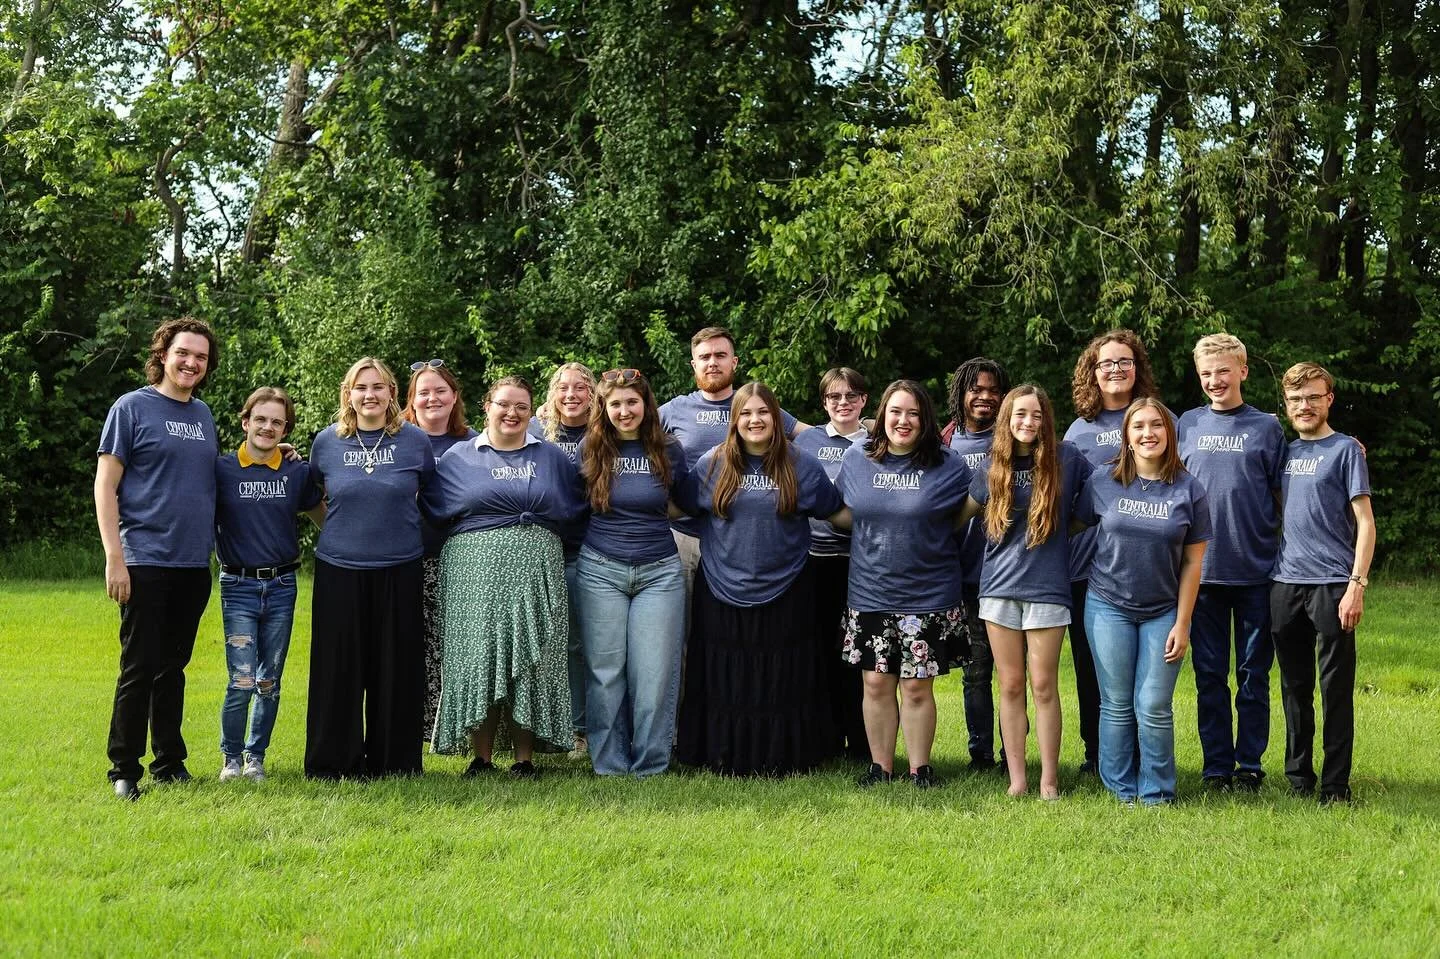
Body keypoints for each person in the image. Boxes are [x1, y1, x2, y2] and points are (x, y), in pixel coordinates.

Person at [675, 382, 844, 776]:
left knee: (782, 676)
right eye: (746, 413)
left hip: (788, 588)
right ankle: (722, 753)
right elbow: (677, 507)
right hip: (720, 587)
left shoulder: (802, 464)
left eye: (763, 412)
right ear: (734, 420)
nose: (755, 420)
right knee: (725, 676)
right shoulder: (713, 464)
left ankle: (784, 755)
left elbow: (838, 512)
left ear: (776, 418)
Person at [422, 376, 585, 778]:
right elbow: (429, 511)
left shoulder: (551, 457)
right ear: (487, 406)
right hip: (472, 572)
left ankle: (524, 760)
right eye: (503, 404)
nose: (512, 413)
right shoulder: (458, 458)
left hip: (537, 570)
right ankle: (481, 758)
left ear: (533, 414)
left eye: (521, 407)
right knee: (479, 657)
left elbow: (577, 509)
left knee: (532, 661)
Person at [95, 317, 221, 800]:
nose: (191, 362)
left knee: (174, 667)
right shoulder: (131, 408)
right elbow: (106, 484)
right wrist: (115, 556)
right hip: (144, 558)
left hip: (193, 566)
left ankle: (170, 762)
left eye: (201, 357)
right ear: (163, 354)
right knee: (139, 667)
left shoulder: (203, 416)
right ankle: (124, 770)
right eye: (183, 353)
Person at [305, 357, 436, 779]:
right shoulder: (326, 442)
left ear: (392, 394)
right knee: (338, 669)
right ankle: (334, 763)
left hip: (400, 568)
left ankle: (393, 763)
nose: (370, 395)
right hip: (338, 569)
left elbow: (432, 498)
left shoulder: (415, 442)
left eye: (378, 387)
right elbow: (310, 497)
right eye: (361, 388)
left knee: (395, 670)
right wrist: (340, 529)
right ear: (348, 394)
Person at [837, 380, 972, 789]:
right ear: (882, 416)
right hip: (870, 590)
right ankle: (881, 766)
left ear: (925, 419)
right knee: (876, 682)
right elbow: (843, 515)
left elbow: (962, 518)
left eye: (913, 413)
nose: (903, 420)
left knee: (916, 686)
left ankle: (920, 768)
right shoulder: (857, 459)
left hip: (929, 594)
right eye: (895, 411)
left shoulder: (948, 465)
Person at [1077, 398, 1210, 806]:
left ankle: (1157, 793)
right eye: (1139, 426)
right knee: (1116, 704)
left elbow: (1193, 562)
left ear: (1169, 435)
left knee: (1153, 705)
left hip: (1163, 610)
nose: (1148, 433)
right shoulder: (1102, 480)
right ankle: (1121, 790)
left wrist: (1183, 623)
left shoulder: (1190, 489)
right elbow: (1066, 526)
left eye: (1156, 425)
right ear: (1127, 437)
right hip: (1106, 605)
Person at [958, 385, 1089, 799]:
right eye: (1019, 415)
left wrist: (1055, 536)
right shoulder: (990, 467)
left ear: (1046, 419)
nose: (1028, 422)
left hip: (1048, 589)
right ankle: (1017, 779)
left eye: (1035, 415)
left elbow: (1088, 510)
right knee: (1011, 686)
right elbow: (958, 518)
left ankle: (1049, 780)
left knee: (1044, 686)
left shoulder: (1068, 459)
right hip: (997, 590)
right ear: (1007, 420)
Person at [1178, 334, 1286, 792]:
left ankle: (1249, 766)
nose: (1214, 380)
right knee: (1209, 676)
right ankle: (1216, 767)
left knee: (1252, 676)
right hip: (1200, 576)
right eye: (1206, 373)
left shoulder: (1267, 427)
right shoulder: (1185, 424)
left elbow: (1287, 493)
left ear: (1242, 370)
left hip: (1257, 573)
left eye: (1223, 371)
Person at [574, 369, 689, 776]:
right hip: (600, 570)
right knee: (606, 674)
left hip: (659, 573)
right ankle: (609, 764)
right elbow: (573, 506)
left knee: (654, 675)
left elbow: (688, 501)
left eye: (632, 402)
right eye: (616, 404)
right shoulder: (589, 449)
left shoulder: (668, 449)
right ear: (603, 408)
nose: (625, 411)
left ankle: (650, 764)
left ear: (646, 404)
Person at [1272, 362, 1374, 804]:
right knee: (1294, 688)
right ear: (1287, 405)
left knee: (1334, 689)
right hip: (1284, 582)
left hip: (1333, 584)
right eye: (1296, 400)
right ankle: (1298, 780)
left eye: (1313, 397)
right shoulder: (1284, 453)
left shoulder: (1347, 451)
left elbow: (1366, 524)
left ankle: (1335, 785)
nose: (1304, 406)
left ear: (1328, 398)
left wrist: (1357, 584)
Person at [1064, 328, 1163, 773]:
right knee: (1093, 669)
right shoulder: (1078, 430)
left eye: (1125, 361)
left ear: (1137, 369)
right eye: (1106, 363)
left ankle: (1142, 756)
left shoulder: (1159, 420)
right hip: (1087, 567)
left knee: (1145, 674)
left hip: (1145, 569)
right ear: (1093, 373)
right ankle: (1096, 754)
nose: (1116, 370)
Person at [214, 387, 325, 782]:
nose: (267, 427)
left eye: (277, 422)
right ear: (245, 422)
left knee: (268, 680)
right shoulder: (222, 469)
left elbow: (323, 516)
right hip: (238, 586)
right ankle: (229, 759)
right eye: (260, 419)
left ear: (286, 430)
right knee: (241, 679)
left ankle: (254, 757)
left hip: (281, 585)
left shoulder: (297, 472)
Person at [660, 327, 805, 612]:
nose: (712, 362)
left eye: (720, 355)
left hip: (740, 538)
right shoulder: (674, 410)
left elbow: (809, 435)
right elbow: (625, 429)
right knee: (682, 627)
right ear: (694, 364)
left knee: (724, 624)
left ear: (734, 362)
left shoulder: (753, 405)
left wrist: (864, 430)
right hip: (685, 535)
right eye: (705, 357)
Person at [792, 367, 871, 762]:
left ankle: (861, 744)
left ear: (864, 401)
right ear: (824, 402)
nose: (843, 403)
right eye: (835, 396)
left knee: (857, 657)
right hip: (814, 561)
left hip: (864, 564)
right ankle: (824, 742)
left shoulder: (879, 441)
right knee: (820, 653)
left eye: (851, 395)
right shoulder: (806, 442)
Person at [400, 359, 477, 744]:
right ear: (410, 401)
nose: (432, 398)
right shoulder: (394, 440)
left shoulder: (476, 442)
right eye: (423, 392)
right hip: (404, 556)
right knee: (412, 644)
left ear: (454, 396)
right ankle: (416, 725)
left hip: (462, 558)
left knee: (455, 645)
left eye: (440, 390)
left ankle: (456, 726)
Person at [945, 357, 1010, 770]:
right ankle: (980, 755)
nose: (985, 396)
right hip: (962, 575)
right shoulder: (943, 442)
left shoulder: (1014, 439)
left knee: (1011, 675)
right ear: (961, 394)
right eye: (976, 389)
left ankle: (1012, 755)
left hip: (1007, 575)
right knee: (975, 672)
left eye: (992, 390)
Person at [529, 361, 595, 759]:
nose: (571, 395)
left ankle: (580, 729)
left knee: (579, 644)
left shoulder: (603, 431)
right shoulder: (538, 431)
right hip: (540, 548)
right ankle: (543, 727)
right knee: (542, 643)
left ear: (593, 394)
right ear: (551, 394)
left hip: (586, 547)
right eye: (563, 388)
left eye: (580, 387)